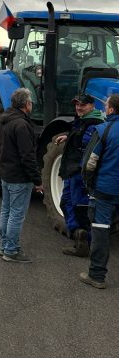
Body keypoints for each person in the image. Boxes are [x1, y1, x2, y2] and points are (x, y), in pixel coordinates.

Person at [54, 93, 103, 257]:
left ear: (92, 106)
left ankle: (85, 242)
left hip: (79, 173)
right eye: (77, 104)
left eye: (82, 105)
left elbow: (88, 147)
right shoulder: (82, 121)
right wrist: (68, 137)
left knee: (80, 207)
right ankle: (78, 234)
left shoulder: (94, 124)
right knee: (66, 202)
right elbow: (79, 136)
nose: (78, 107)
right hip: (71, 171)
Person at [0, 87, 43, 263]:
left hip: (6, 174)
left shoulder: (5, 121)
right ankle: (11, 251)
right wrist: (37, 180)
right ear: (26, 104)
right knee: (16, 215)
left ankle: (3, 246)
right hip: (19, 177)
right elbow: (28, 156)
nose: (31, 104)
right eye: (30, 102)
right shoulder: (22, 125)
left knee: (6, 211)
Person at [79, 94, 119, 289]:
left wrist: (89, 184)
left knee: (100, 230)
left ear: (111, 110)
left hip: (104, 190)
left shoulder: (103, 130)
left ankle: (96, 275)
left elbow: (89, 163)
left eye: (106, 106)